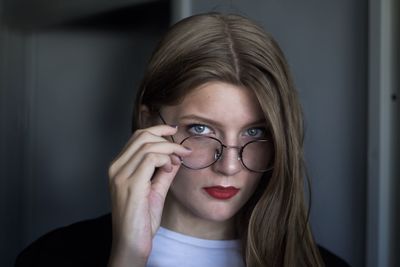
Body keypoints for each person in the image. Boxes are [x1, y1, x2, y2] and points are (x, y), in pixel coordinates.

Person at [15, 12, 349, 267]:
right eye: (201, 129)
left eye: (255, 131)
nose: (229, 166)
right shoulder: (54, 256)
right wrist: (129, 256)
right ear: (148, 123)